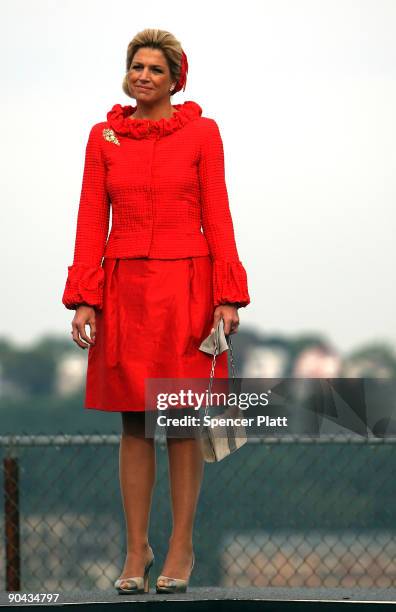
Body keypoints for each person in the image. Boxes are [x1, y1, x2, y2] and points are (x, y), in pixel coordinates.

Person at [62, 28, 250, 595]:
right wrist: (85, 298)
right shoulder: (103, 138)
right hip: (125, 289)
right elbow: (91, 219)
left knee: (184, 420)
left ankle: (180, 546)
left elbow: (218, 215)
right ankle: (136, 548)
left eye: (155, 69)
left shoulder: (201, 133)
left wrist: (227, 293)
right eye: (136, 66)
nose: (143, 76)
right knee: (135, 420)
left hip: (186, 287)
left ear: (175, 79)